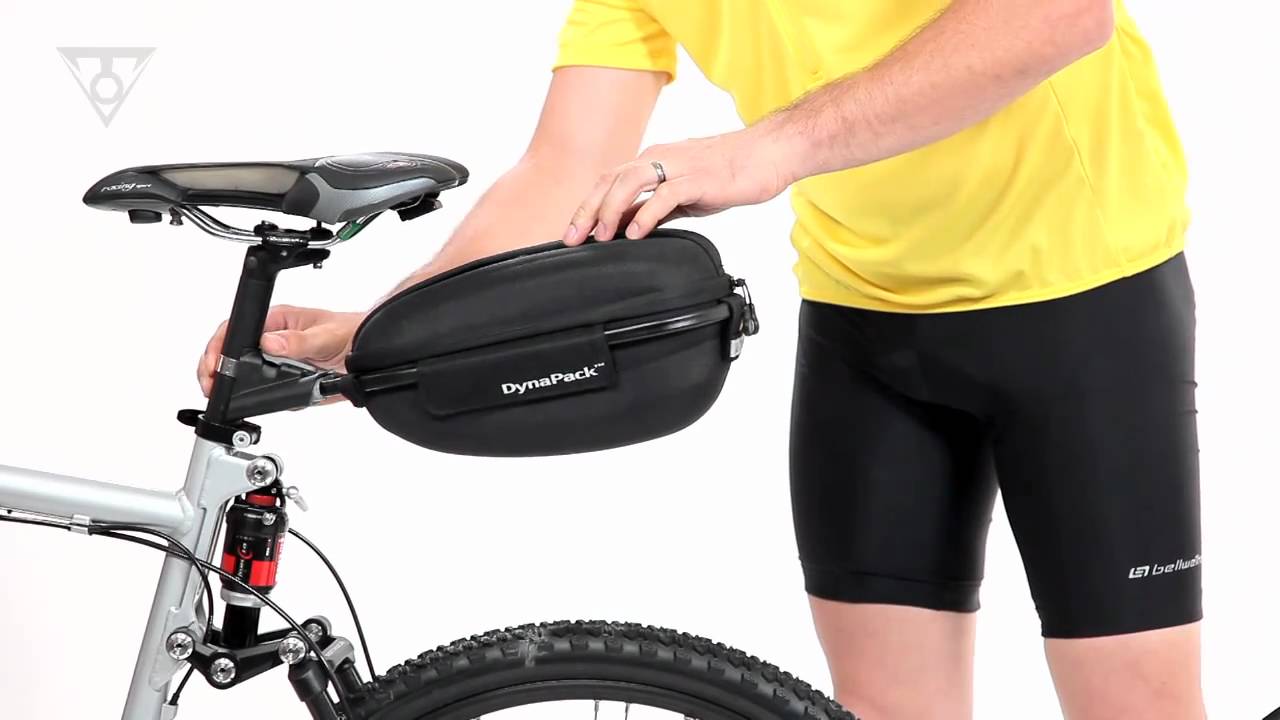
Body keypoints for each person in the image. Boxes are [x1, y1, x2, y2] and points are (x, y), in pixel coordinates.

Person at [198, 1, 1202, 718]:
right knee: (881, 711)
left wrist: (766, 148)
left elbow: (1058, 15)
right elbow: (565, 166)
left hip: (1084, 304)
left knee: (1137, 708)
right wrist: (379, 334)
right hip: (868, 316)